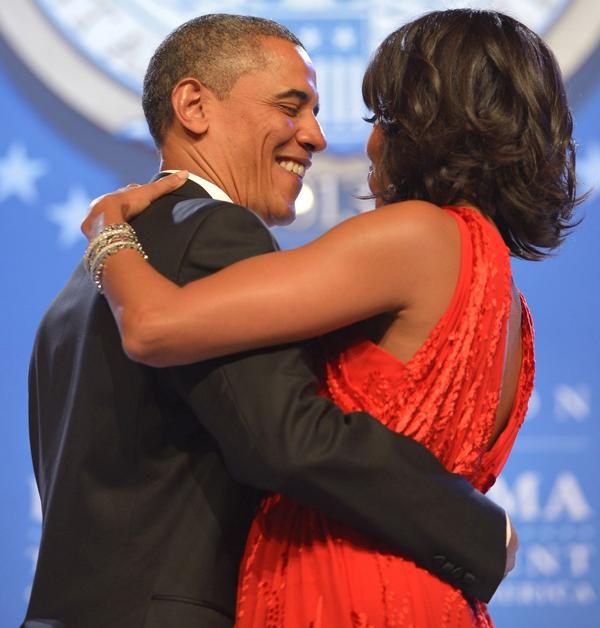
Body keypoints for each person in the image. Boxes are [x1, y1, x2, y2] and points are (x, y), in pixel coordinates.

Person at [80, 9, 581, 627]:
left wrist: (106, 232)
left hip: (342, 592)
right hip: (435, 595)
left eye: (383, 121)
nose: (358, 142)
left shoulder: (414, 237)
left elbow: (154, 326)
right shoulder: (506, 301)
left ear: (426, 130)